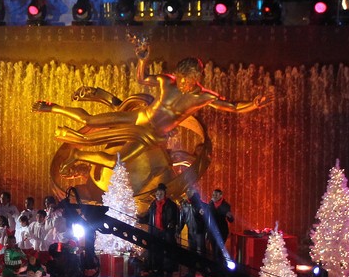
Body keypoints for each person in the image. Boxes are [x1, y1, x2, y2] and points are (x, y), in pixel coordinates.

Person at [32, 38, 268, 189]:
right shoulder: (168, 81)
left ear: (197, 79)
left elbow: (233, 107)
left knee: (118, 163)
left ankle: (79, 154)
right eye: (182, 78)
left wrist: (254, 104)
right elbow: (142, 79)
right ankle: (53, 107)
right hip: (140, 117)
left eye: (188, 81)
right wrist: (142, 60)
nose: (183, 84)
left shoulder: (203, 96)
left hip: (152, 135)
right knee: (90, 120)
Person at [142, 182, 180, 277]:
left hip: (166, 232)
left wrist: (172, 224)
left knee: (168, 251)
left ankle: (168, 271)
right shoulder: (153, 205)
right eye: (157, 194)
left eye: (161, 194)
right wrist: (140, 219)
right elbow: (148, 217)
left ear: (164, 194)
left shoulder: (171, 205)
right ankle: (158, 269)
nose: (158, 195)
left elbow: (176, 217)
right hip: (155, 231)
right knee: (156, 251)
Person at [179, 189, 209, 277]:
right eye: (187, 191)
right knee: (191, 253)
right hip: (191, 232)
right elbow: (182, 219)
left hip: (199, 232)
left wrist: (207, 232)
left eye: (189, 191)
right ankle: (191, 272)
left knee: (201, 254)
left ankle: (205, 274)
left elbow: (207, 220)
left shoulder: (201, 205)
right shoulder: (185, 205)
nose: (187, 193)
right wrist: (178, 230)